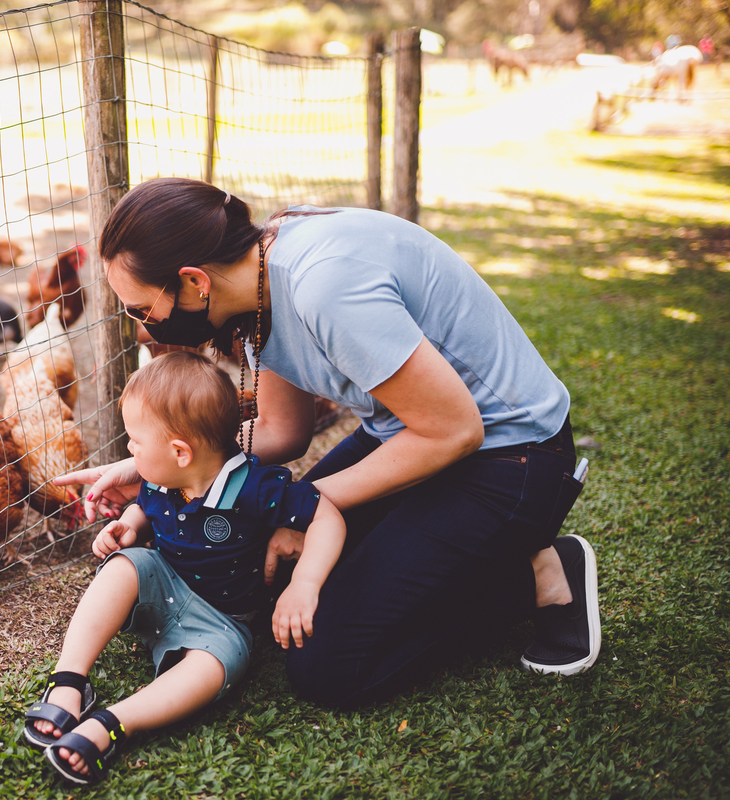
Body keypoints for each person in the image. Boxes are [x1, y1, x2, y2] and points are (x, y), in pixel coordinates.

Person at [55, 177, 600, 712]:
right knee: (275, 571)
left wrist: (315, 509)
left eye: (141, 310)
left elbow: (456, 430)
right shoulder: (254, 283)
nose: (144, 327)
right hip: (413, 435)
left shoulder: (322, 286)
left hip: (513, 458)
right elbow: (281, 431)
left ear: (194, 281)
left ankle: (537, 575)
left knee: (327, 662)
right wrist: (150, 465)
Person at [25, 351, 344, 785]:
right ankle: (69, 681)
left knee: (218, 665)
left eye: (134, 441)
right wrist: (128, 525)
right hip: (165, 582)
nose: (129, 451)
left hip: (223, 621)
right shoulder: (161, 478)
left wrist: (305, 583)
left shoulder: (256, 487)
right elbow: (148, 505)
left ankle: (113, 723)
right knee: (125, 566)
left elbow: (328, 517)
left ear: (179, 452)